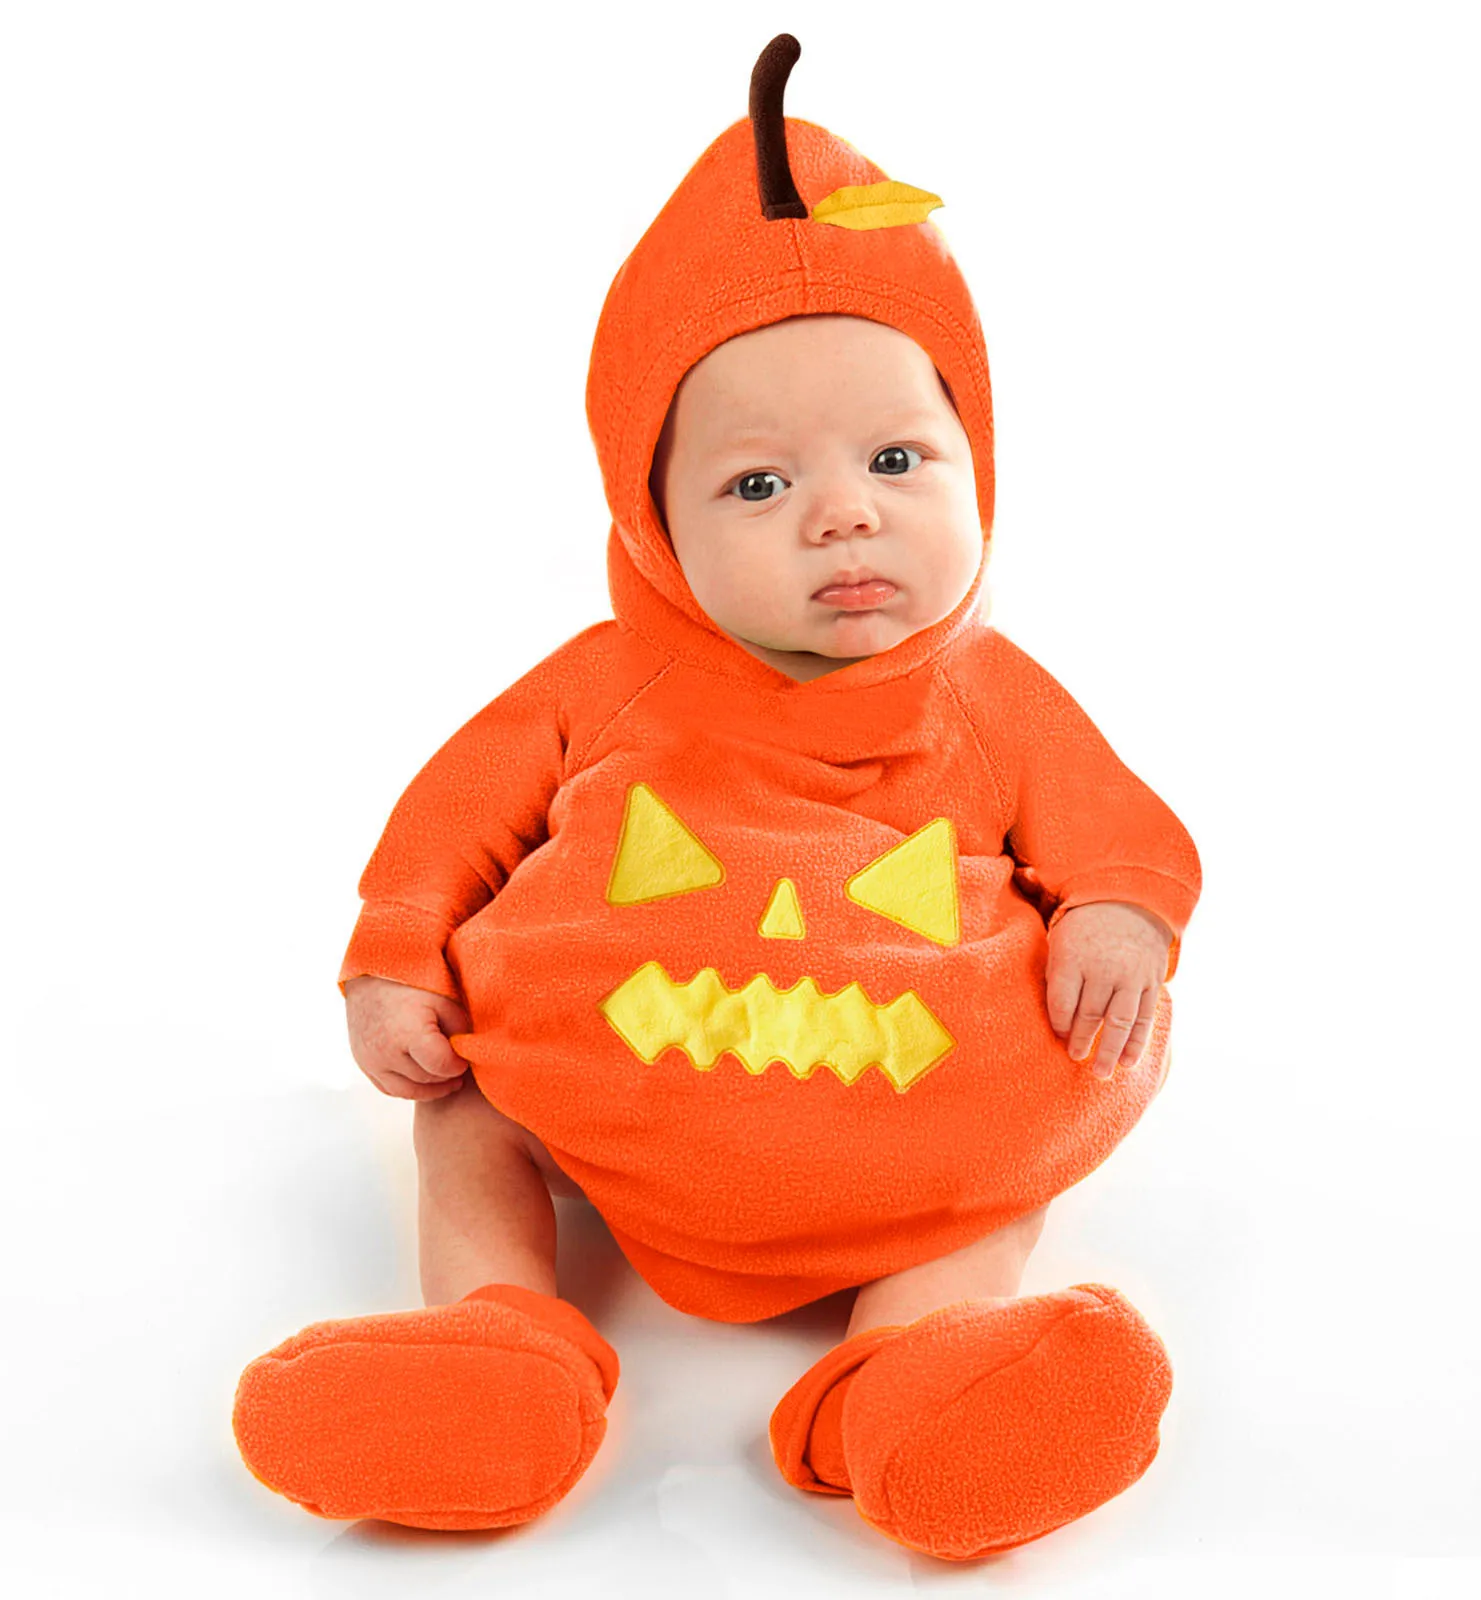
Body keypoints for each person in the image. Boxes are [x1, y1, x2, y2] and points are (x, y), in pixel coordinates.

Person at [233, 35, 1202, 1562]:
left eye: (899, 456)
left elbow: (1121, 837)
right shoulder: (603, 679)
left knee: (995, 1180)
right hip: (601, 1094)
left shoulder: (987, 692)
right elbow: (448, 826)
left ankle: (923, 1371)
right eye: (759, 484)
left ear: (977, 460)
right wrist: (394, 959)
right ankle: (499, 1339)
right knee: (467, 1109)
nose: (844, 514)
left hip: (922, 1115)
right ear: (653, 515)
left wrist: (1120, 921)